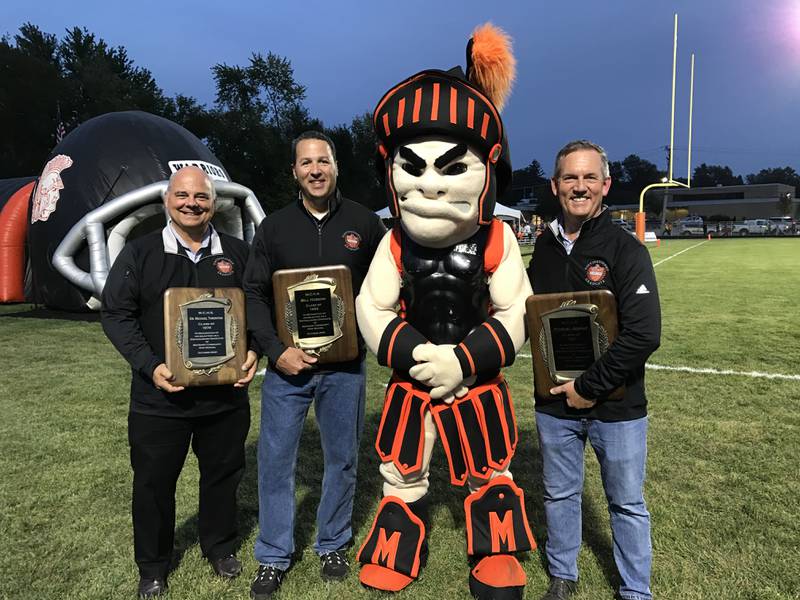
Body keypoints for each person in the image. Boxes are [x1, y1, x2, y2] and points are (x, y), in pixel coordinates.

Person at [354, 25, 536, 600]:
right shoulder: (394, 243)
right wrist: (418, 356)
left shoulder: (498, 239)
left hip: (476, 379)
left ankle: (495, 552)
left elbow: (517, 312)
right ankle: (398, 543)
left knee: (490, 469)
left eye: (452, 168)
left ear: (487, 169)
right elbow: (372, 307)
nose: (429, 184)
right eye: (415, 167)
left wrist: (462, 361)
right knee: (402, 470)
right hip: (412, 380)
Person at [101, 166, 258, 599]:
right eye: (183, 195)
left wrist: (254, 350)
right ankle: (153, 565)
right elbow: (116, 315)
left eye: (201, 196)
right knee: (153, 483)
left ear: (214, 203)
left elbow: (257, 310)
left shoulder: (238, 254)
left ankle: (220, 546)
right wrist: (149, 365)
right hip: (159, 398)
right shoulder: (140, 252)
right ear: (167, 200)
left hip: (224, 398)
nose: (192, 203)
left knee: (223, 475)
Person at [243, 131, 385, 599]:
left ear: (336, 165)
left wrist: (372, 337)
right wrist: (272, 348)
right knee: (275, 460)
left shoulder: (364, 224)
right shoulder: (274, 227)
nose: (315, 170)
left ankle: (333, 542)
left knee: (342, 460)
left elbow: (386, 288)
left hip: (344, 369)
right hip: (288, 369)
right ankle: (272, 554)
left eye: (323, 160)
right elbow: (254, 294)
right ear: (295, 172)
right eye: (306, 163)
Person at [527, 140, 661, 600]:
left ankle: (635, 590)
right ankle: (563, 574)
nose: (579, 186)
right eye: (570, 178)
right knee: (559, 494)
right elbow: (524, 317)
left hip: (616, 405)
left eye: (588, 178)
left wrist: (591, 386)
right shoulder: (542, 250)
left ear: (604, 185)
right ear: (555, 185)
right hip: (553, 404)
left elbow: (643, 334)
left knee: (625, 503)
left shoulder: (626, 251)